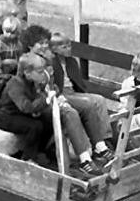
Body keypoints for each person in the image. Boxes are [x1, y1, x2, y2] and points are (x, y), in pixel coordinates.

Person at [0, 52, 105, 176]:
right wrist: (46, 99)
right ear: (27, 73)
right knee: (35, 127)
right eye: (40, 71)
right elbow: (26, 107)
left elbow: (38, 98)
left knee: (47, 122)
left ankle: (41, 151)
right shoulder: (15, 84)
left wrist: (53, 92)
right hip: (8, 117)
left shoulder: (32, 82)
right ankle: (27, 158)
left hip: (23, 114)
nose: (44, 74)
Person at [48, 32, 113, 162]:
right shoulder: (52, 63)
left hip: (74, 92)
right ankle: (97, 145)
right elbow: (53, 86)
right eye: (64, 47)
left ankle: (105, 139)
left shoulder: (71, 62)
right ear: (54, 49)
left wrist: (84, 92)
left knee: (99, 99)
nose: (68, 49)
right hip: (62, 94)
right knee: (88, 103)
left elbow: (78, 83)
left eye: (69, 46)